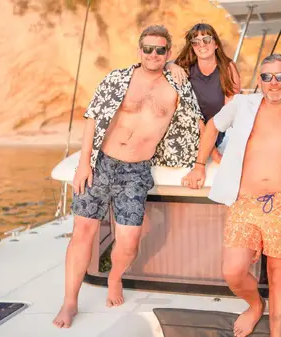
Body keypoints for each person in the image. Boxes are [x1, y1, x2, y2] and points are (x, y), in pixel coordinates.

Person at [52, 25, 204, 329]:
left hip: (136, 170)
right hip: (102, 164)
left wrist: (206, 160)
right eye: (147, 49)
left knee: (130, 241)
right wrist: (84, 163)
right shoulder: (117, 78)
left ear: (168, 53)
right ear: (139, 51)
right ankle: (70, 301)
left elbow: (197, 123)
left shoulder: (178, 86)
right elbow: (93, 118)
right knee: (82, 232)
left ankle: (114, 277)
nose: (153, 54)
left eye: (160, 50)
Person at [181, 54, 281, 337]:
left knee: (280, 277)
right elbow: (212, 127)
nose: (274, 83)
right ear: (259, 81)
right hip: (245, 200)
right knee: (233, 271)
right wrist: (199, 164)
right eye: (267, 77)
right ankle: (256, 305)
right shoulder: (243, 105)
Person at [167, 23, 241, 163]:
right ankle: (213, 153)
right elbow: (163, 66)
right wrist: (171, 65)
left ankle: (211, 150)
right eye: (196, 42)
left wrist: (209, 131)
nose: (202, 45)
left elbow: (230, 109)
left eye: (206, 40)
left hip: (215, 131)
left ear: (216, 44)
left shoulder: (228, 67)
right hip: (188, 128)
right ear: (192, 47)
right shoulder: (186, 67)